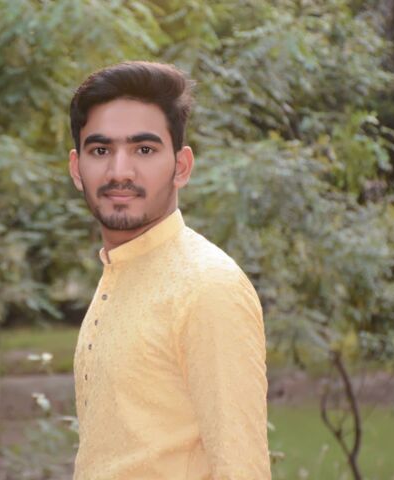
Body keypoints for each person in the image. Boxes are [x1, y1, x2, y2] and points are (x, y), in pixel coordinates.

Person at [67, 61, 271, 479]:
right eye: (100, 150)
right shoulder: (118, 272)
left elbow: (242, 468)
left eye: (144, 150)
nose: (119, 171)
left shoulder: (208, 287)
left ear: (181, 167)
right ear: (76, 169)